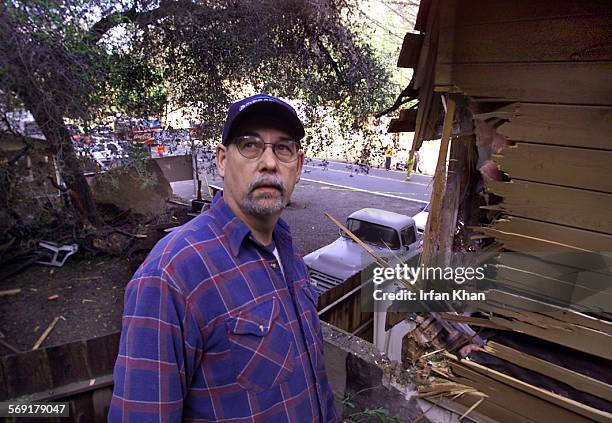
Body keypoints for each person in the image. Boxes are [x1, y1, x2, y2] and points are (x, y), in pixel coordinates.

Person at [109, 94, 339, 422]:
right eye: (250, 146)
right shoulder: (171, 274)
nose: (270, 163)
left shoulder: (287, 250)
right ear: (221, 160)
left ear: (298, 166)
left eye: (283, 148)